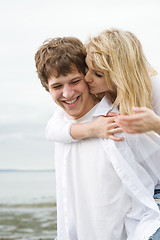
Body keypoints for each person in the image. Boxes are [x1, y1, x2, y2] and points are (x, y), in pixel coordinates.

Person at [35, 35, 160, 240]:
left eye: (75, 81)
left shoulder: (118, 119)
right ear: (47, 88)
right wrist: (91, 129)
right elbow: (51, 129)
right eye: (57, 87)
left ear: (87, 78)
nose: (67, 94)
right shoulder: (62, 124)